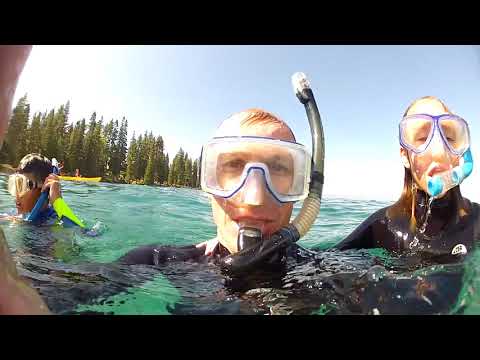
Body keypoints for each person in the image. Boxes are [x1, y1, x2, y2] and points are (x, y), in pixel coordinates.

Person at [118, 108, 318, 270]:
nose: (254, 198)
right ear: (209, 180)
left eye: (278, 168)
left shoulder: (325, 273)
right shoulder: (155, 263)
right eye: (233, 165)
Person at [334, 96, 479, 261]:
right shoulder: (383, 225)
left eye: (449, 139)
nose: (439, 151)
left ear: (460, 153)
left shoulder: (477, 220)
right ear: (405, 156)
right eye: (423, 138)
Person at [0, 45, 50, 314]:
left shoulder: (53, 223)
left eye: (24, 186)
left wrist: (57, 203)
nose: (16, 196)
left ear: (41, 189)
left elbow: (88, 232)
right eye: (13, 185)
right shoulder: (14, 216)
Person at [7, 153, 86, 228]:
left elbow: (85, 233)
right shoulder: (16, 216)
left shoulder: (54, 220)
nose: (17, 198)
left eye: (23, 188)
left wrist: (58, 202)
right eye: (16, 188)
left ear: (44, 189)